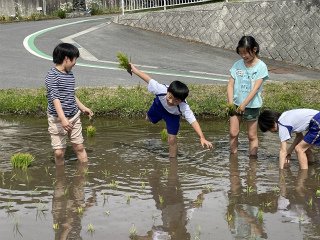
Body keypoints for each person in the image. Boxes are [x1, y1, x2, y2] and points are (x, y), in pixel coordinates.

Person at [129, 63, 213, 157]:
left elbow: (193, 121)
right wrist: (134, 70)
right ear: (168, 91)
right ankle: (151, 119)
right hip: (158, 107)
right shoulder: (160, 90)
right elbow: (148, 79)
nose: (171, 101)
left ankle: (173, 161)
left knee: (172, 140)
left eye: (176, 100)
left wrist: (202, 137)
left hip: (172, 116)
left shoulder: (183, 107)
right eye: (170, 97)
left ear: (181, 101)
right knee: (149, 119)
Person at [45, 43, 93, 165]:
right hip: (57, 119)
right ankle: (60, 180)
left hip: (74, 116)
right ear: (66, 58)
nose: (75, 63)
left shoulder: (69, 74)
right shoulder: (52, 76)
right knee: (59, 152)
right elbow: (55, 98)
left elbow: (71, 94)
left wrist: (82, 107)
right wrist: (62, 119)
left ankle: (84, 176)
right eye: (74, 59)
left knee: (79, 147)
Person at [227, 36, 269, 157]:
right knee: (233, 133)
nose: (244, 56)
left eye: (246, 53)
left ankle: (253, 161)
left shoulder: (261, 66)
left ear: (254, 49)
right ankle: (233, 160)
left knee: (252, 136)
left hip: (252, 106)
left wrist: (244, 105)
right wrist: (230, 103)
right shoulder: (237, 65)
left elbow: (255, 89)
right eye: (241, 53)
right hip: (235, 104)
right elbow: (230, 85)